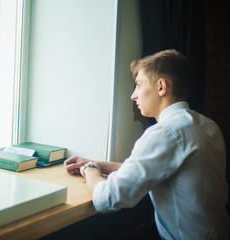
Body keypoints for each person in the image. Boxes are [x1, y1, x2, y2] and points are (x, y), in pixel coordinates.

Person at [64, 49, 230, 239]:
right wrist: (99, 164)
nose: (133, 96)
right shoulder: (207, 125)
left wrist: (89, 169)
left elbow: (107, 198)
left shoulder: (165, 133)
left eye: (138, 85)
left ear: (161, 87)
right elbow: (160, 171)